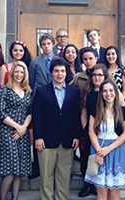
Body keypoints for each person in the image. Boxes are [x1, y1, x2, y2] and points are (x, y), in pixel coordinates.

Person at [33, 57, 81, 200]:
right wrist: (38, 137)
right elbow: (37, 116)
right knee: (46, 176)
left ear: (66, 73)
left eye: (62, 71)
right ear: (51, 73)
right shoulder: (41, 91)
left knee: (64, 176)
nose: (60, 74)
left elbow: (76, 116)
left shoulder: (74, 92)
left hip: (67, 140)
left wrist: (77, 136)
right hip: (46, 140)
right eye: (56, 71)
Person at [85, 80, 125, 199]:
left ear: (116, 93)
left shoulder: (123, 111)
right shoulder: (96, 110)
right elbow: (91, 132)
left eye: (111, 90)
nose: (108, 93)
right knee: (102, 193)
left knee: (114, 193)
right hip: (98, 149)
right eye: (105, 91)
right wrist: (99, 151)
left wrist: (108, 149)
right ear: (101, 94)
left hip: (117, 150)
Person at [0, 61, 32, 200]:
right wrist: (17, 126)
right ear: (12, 73)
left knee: (19, 169)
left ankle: (14, 198)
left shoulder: (28, 91)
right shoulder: (3, 89)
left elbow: (30, 111)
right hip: (8, 132)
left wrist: (24, 127)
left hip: (23, 133)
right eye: (16, 71)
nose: (19, 74)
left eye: (22, 72)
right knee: (10, 169)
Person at [78, 64, 111, 197]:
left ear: (105, 76)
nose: (97, 77)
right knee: (87, 158)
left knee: (103, 159)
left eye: (100, 75)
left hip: (106, 132)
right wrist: (86, 129)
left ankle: (102, 186)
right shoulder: (87, 92)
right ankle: (88, 185)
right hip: (89, 131)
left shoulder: (110, 91)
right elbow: (83, 113)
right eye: (94, 75)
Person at [28, 33, 58, 179]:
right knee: (37, 130)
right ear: (41, 46)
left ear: (53, 45)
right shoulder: (34, 62)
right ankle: (37, 167)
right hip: (39, 98)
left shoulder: (59, 60)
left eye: (49, 43)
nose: (46, 46)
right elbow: (31, 82)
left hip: (55, 99)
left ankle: (56, 166)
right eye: (44, 44)